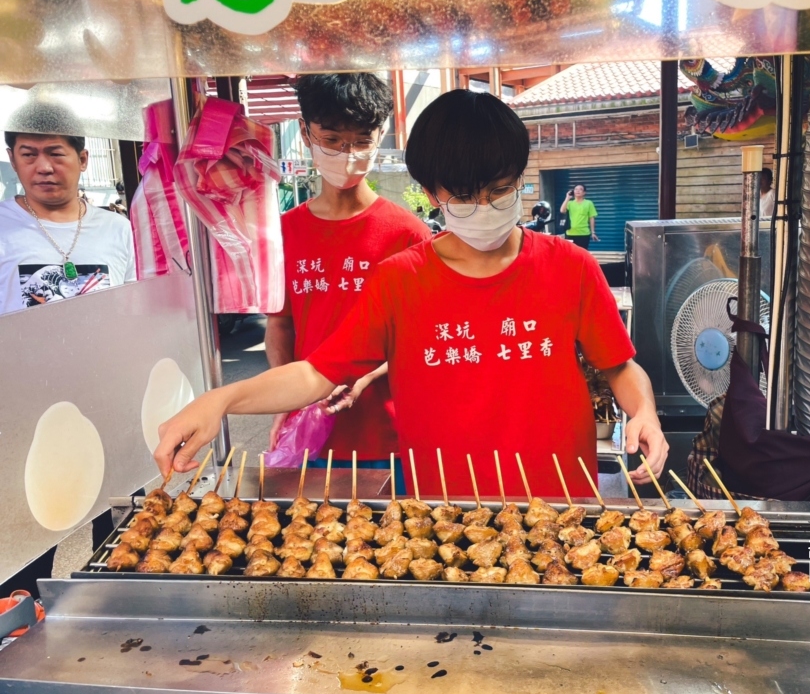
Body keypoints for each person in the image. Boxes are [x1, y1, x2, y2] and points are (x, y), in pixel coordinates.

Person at [155, 90, 667, 499]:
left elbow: (619, 366)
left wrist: (642, 412)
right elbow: (317, 372)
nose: (483, 206)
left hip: (562, 505)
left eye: (499, 189)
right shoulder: (399, 280)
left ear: (520, 178)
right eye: (463, 196)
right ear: (430, 191)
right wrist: (222, 400)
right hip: (441, 512)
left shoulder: (571, 268)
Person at [265, 73, 429, 492]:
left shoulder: (407, 233)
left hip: (387, 436)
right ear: (305, 132)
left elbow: (420, 338)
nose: (348, 153)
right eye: (333, 139)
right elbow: (280, 324)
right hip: (310, 436)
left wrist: (366, 376)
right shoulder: (284, 233)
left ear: (380, 136)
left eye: (361, 140)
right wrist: (286, 398)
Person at [1, 103, 136, 316]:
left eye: (55, 153)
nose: (44, 167)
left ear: (82, 159)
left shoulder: (117, 228)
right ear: (13, 160)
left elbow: (131, 309)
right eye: (28, 155)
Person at [560, 183, 599, 249]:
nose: (578, 191)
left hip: (583, 233)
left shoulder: (589, 203)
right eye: (576, 189)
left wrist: (593, 232)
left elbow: (591, 218)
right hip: (570, 233)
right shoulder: (570, 203)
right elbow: (562, 210)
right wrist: (567, 198)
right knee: (570, 254)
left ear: (584, 193)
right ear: (573, 191)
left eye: (580, 189)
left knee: (582, 254)